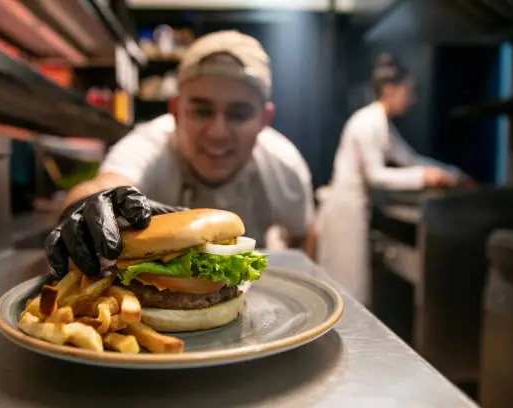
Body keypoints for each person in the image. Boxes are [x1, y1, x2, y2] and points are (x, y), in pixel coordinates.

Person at [44, 30, 315, 278]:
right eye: (201, 110)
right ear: (175, 111)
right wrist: (85, 205)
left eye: (239, 114)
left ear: (264, 120)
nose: (218, 133)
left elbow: (304, 234)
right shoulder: (151, 144)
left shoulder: (284, 165)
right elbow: (106, 185)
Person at [316, 53, 469, 306]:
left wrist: (452, 173)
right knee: (348, 291)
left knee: (351, 290)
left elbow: (409, 157)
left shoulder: (383, 123)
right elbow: (375, 176)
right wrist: (425, 177)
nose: (412, 99)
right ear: (389, 89)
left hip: (355, 210)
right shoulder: (368, 121)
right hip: (344, 212)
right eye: (408, 91)